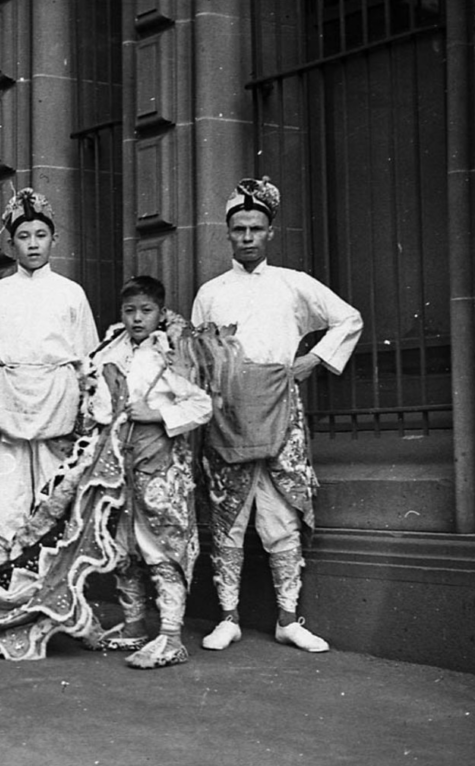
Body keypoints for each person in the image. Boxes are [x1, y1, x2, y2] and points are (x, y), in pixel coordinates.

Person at [191, 177, 363, 653]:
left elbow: (349, 318)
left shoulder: (294, 283)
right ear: (227, 234)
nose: (247, 237)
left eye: (256, 228)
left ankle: (288, 618)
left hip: (279, 408)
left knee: (279, 516)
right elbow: (200, 355)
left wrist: (313, 359)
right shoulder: (210, 292)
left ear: (270, 232)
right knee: (229, 517)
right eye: (239, 229)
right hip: (227, 415)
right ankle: (228, 617)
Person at [83, 276, 213, 668]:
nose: (137, 319)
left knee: (161, 545)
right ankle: (134, 624)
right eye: (129, 311)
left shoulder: (171, 353)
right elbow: (99, 403)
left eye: (146, 311)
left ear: (160, 312)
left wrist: (157, 415)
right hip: (117, 460)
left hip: (159, 460)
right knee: (123, 545)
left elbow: (202, 406)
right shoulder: (111, 349)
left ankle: (171, 636)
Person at [0, 188, 99, 555]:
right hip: (10, 404)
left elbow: (87, 356)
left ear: (53, 240)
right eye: (24, 237)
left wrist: (80, 405)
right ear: (11, 244)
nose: (33, 245)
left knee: (53, 494)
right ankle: (3, 576)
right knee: (6, 499)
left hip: (57, 406)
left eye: (40, 235)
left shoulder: (70, 293)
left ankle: (50, 584)